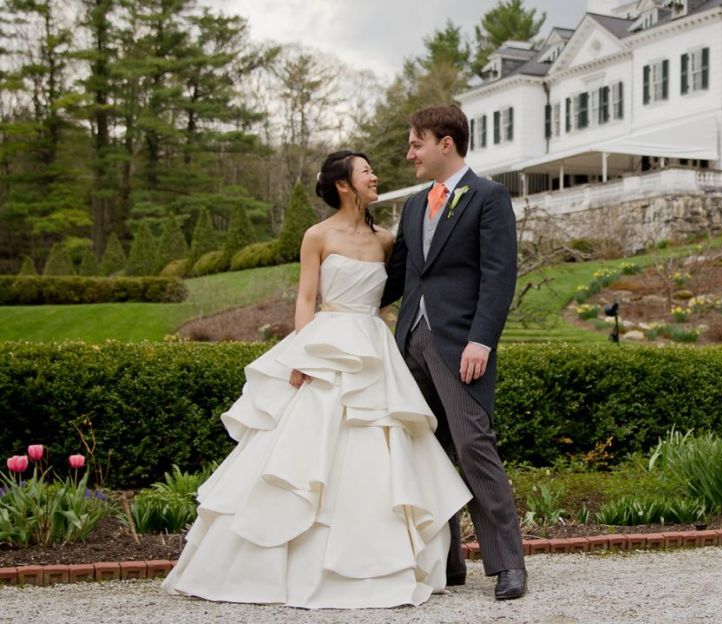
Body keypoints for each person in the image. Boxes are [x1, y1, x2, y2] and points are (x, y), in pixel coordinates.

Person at [161, 150, 471, 609]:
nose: (375, 176)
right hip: (325, 346)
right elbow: (306, 300)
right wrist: (303, 355)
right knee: (303, 451)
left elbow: (397, 290)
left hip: (373, 347)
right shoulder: (316, 236)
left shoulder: (386, 239)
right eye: (366, 171)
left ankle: (380, 560)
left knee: (379, 452)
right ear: (344, 184)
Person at [381, 105, 526, 601]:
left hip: (461, 343)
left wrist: (481, 340)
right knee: (427, 453)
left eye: (416, 143)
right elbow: (399, 274)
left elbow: (499, 274)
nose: (409, 153)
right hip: (410, 344)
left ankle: (507, 563)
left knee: (471, 447)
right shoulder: (415, 205)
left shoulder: (488, 197)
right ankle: (447, 561)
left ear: (447, 143)